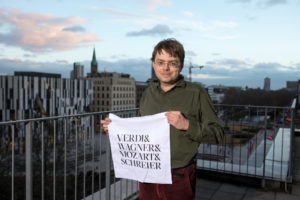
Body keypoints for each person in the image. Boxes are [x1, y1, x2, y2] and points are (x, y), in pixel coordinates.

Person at [101, 38, 224, 200]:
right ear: (153, 64)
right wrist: (115, 128)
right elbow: (140, 128)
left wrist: (187, 125)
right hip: (147, 172)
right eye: (160, 62)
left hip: (178, 174)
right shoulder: (148, 93)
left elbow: (218, 134)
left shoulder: (197, 93)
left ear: (181, 65)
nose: (165, 68)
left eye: (172, 63)